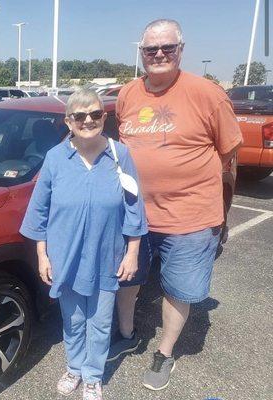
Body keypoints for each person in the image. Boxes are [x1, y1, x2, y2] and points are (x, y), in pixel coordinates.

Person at [110, 19, 243, 391]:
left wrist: (189, 182)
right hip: (134, 215)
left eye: (167, 47)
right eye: (151, 49)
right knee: (127, 279)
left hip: (189, 217)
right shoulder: (127, 94)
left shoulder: (208, 94)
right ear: (141, 53)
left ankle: (165, 353)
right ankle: (126, 334)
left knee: (177, 289)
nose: (159, 55)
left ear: (180, 50)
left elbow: (229, 150)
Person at [20, 89, 148, 400]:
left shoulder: (120, 156)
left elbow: (134, 208)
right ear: (69, 121)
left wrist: (132, 253)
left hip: (107, 256)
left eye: (94, 114)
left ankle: (93, 375)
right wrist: (42, 255)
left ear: (105, 117)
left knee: (101, 322)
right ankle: (75, 367)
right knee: (74, 320)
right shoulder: (55, 158)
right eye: (79, 116)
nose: (87, 120)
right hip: (66, 258)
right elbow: (39, 210)